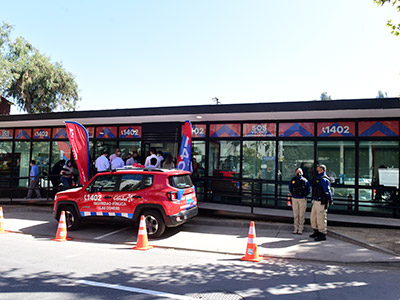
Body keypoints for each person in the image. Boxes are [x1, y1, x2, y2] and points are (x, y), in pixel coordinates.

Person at [310, 164, 333, 241]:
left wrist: (330, 200)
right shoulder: (318, 178)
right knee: (313, 218)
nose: (317, 169)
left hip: (321, 202)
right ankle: (316, 231)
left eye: (318, 168)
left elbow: (327, 191)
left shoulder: (324, 179)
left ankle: (322, 234)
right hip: (315, 201)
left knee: (321, 218)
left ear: (322, 170)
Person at [289, 168, 310, 235]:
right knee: (295, 214)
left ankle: (300, 229)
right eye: (297, 172)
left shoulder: (305, 181)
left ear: (302, 173)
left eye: (300, 172)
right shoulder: (293, 180)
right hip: (295, 198)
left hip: (302, 199)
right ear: (295, 172)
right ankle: (295, 228)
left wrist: (303, 195)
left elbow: (308, 190)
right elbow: (290, 188)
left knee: (301, 215)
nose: (298, 173)